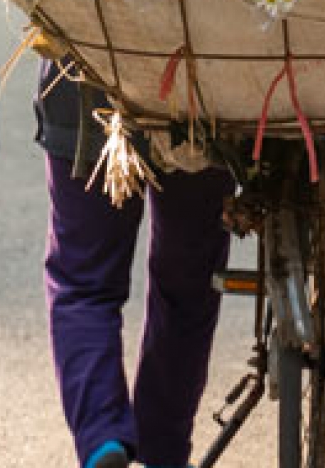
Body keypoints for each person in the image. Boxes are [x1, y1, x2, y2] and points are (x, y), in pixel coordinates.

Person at [36, 64, 232, 468]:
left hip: (86, 95)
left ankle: (101, 436)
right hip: (203, 94)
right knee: (188, 283)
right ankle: (162, 448)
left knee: (83, 282)